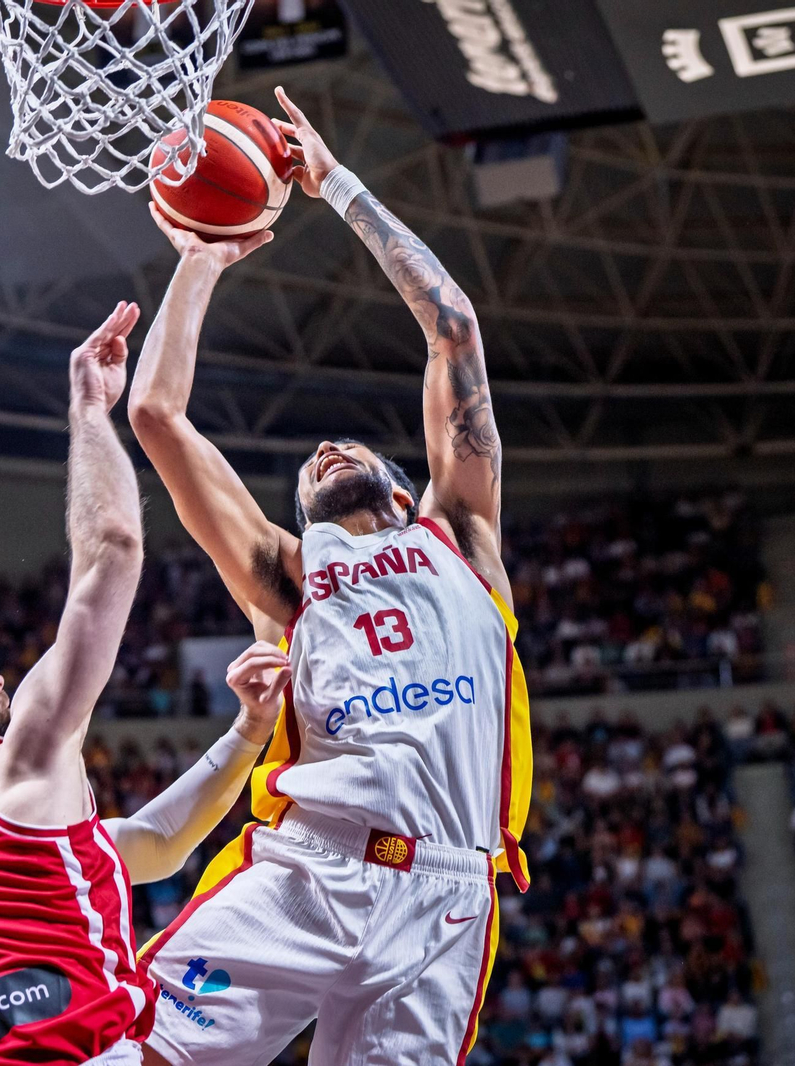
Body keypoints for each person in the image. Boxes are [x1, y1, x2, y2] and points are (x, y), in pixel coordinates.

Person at [126, 87, 532, 1065]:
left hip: (446, 896)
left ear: (401, 480)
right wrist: (200, 259)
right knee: (124, 1049)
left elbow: (454, 330)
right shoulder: (291, 573)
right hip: (307, 870)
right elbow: (156, 418)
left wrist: (337, 184)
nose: (321, 447)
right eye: (307, 461)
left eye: (345, 445)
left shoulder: (463, 536)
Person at [0, 303, 292, 1066]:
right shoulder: (10, 768)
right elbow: (114, 550)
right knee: (291, 913)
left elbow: (151, 846)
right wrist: (89, 407)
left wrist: (250, 732)